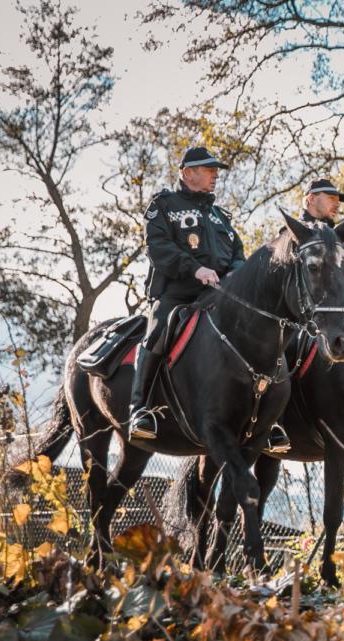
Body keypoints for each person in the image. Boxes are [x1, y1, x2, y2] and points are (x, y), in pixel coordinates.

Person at [128, 145, 248, 441]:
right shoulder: (165, 205)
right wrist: (195, 269)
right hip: (177, 293)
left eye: (215, 171)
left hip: (218, 295)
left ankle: (262, 417)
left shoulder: (221, 216)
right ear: (187, 172)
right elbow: (158, 246)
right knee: (157, 330)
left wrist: (235, 271)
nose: (215, 176)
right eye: (209, 170)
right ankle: (139, 407)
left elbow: (237, 251)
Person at [301, 178, 344, 300]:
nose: (337, 205)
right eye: (331, 199)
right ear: (311, 199)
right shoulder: (289, 235)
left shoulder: (342, 241)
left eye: (338, 201)